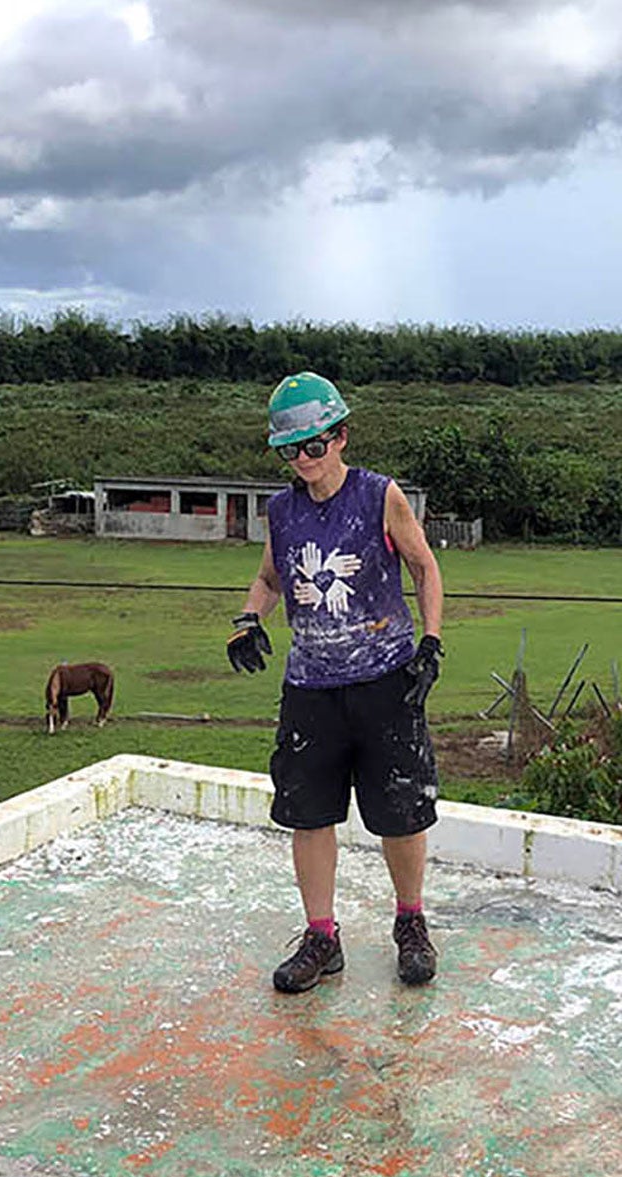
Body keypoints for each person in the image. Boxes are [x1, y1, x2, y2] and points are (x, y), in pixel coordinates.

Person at [226, 372, 445, 993]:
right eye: (289, 450)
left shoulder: (381, 496)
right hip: (312, 687)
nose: (302, 460)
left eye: (314, 446)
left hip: (385, 680)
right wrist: (248, 620)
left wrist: (430, 642)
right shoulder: (283, 510)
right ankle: (321, 936)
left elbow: (425, 566)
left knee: (400, 812)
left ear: (341, 436)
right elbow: (270, 580)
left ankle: (410, 922)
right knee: (309, 814)